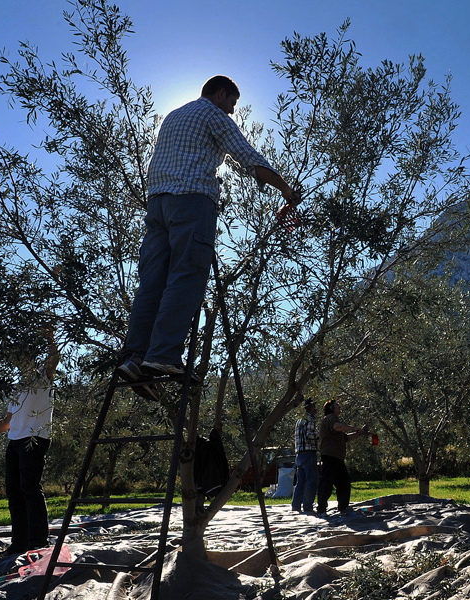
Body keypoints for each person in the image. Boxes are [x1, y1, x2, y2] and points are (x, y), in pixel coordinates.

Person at [117, 75, 301, 383]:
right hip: (191, 202)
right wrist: (285, 188)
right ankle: (162, 356)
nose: (232, 111)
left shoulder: (175, 115)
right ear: (220, 94)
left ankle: (134, 357)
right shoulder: (213, 114)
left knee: (152, 282)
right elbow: (249, 159)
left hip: (157, 205)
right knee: (186, 275)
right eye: (232, 103)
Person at [0, 331, 60, 555]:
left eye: (21, 358)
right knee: (14, 491)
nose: (17, 363)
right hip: (14, 441)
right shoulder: (17, 387)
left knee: (30, 488)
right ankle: (19, 543)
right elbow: (8, 422)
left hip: (34, 440)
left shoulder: (42, 377)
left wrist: (50, 337)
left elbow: (54, 360)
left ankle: (38, 542)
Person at [316, 399, 369, 515]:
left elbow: (347, 438)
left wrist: (360, 432)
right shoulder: (330, 418)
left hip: (337, 458)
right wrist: (352, 427)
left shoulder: (335, 423)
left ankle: (343, 508)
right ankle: (321, 509)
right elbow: (336, 426)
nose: (340, 408)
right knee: (327, 483)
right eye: (337, 406)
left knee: (343, 483)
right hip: (331, 457)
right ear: (331, 409)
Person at [291, 394, 319, 513]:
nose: (316, 409)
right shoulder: (310, 419)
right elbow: (310, 436)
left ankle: (296, 506)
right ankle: (308, 507)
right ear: (311, 407)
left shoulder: (300, 420)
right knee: (312, 481)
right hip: (309, 454)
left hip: (299, 455)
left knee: (300, 482)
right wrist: (319, 433)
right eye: (314, 406)